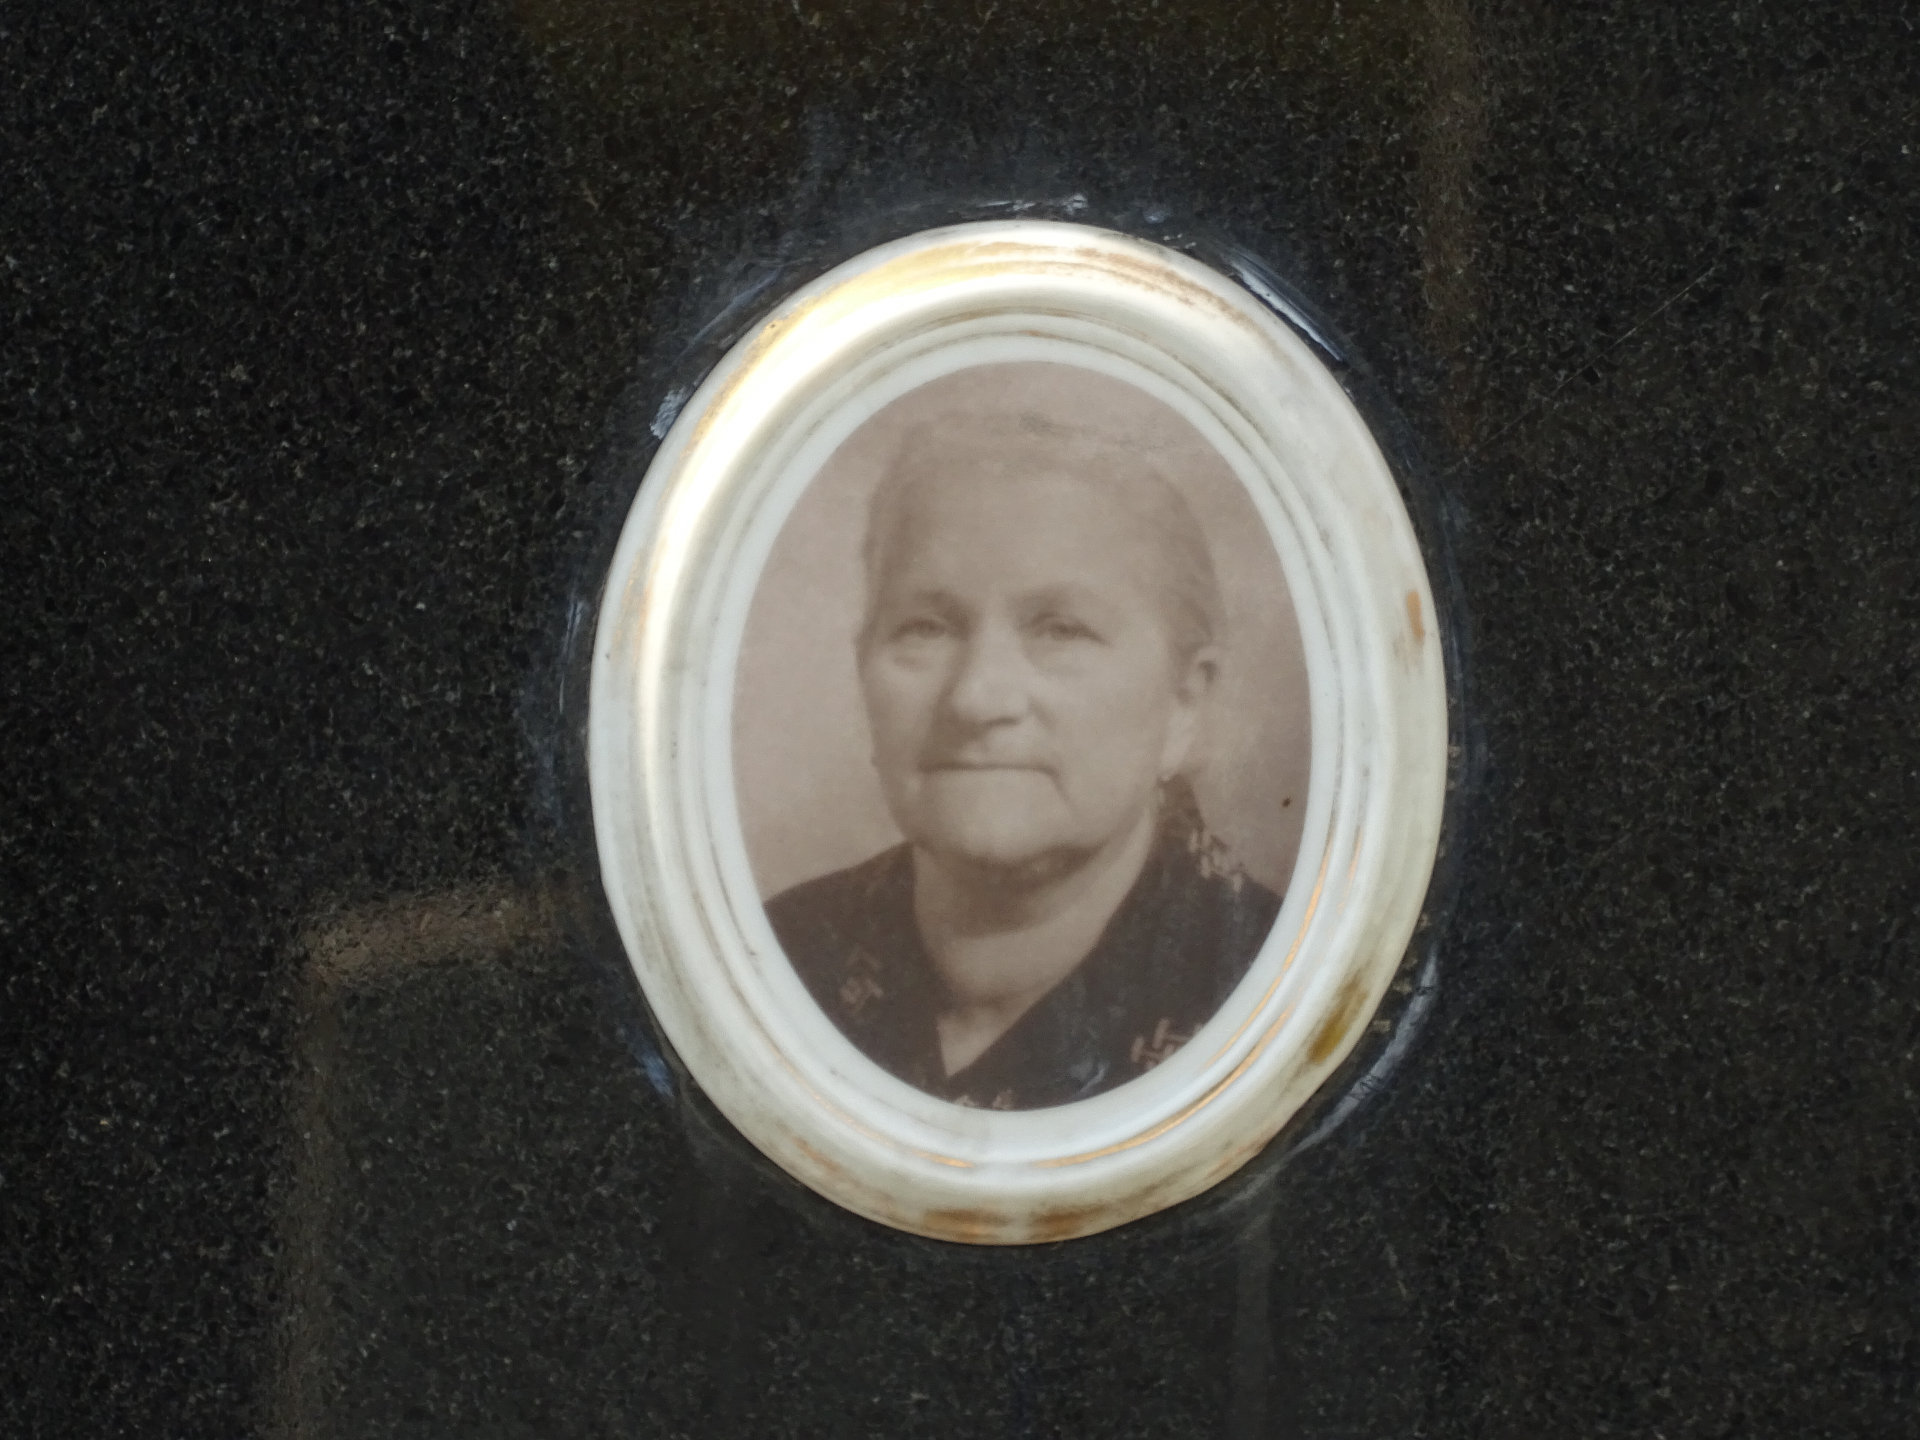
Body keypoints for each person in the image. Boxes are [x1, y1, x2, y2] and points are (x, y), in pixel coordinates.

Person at [766, 409, 1281, 1110]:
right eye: (926, 627)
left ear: (1184, 702)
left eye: (1061, 630)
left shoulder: (1278, 996)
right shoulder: (773, 959)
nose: (976, 697)